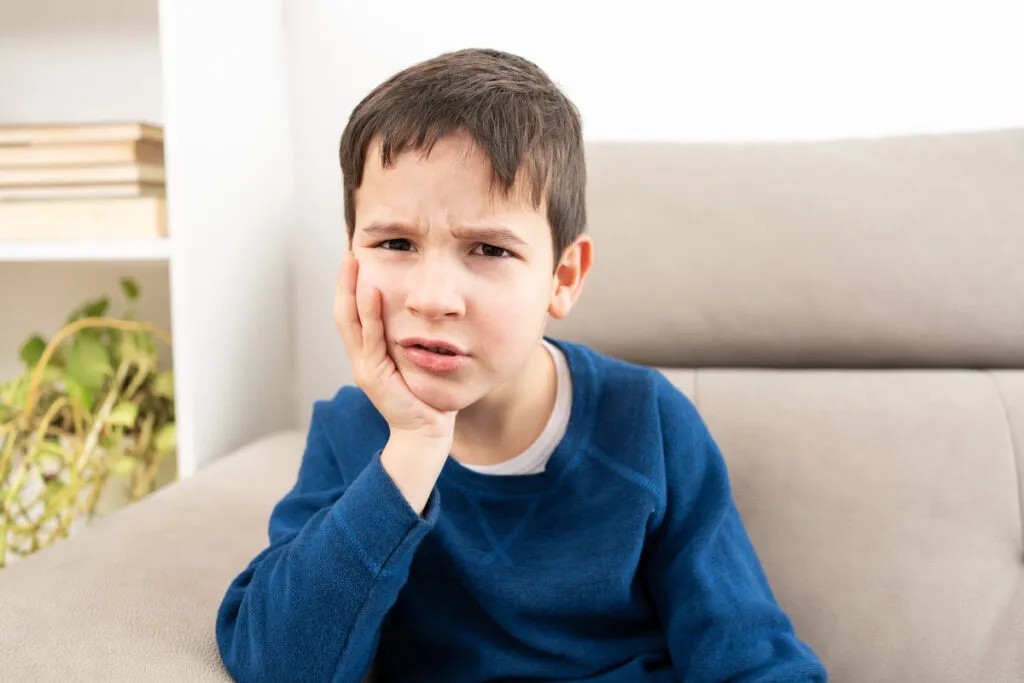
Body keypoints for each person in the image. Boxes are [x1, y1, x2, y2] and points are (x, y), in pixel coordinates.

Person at [215, 47, 827, 683]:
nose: (433, 298)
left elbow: (751, 658)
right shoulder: (351, 432)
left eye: (488, 249)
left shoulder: (648, 422)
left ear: (563, 277)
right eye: (395, 243)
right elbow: (277, 666)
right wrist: (415, 445)